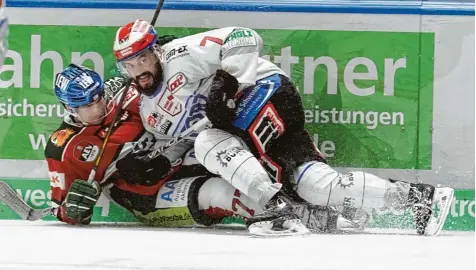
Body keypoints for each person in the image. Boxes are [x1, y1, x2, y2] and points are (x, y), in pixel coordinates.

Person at [112, 19, 454, 236]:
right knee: (316, 184)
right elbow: (184, 141)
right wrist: (162, 161)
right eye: (128, 65)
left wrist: (229, 81)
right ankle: (420, 198)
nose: (137, 69)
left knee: (208, 141)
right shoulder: (151, 113)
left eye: (142, 58)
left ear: (155, 51)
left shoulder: (181, 52)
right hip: (246, 132)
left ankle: (275, 208)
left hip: (265, 92)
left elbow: (242, 36)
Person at [45, 63, 280, 232]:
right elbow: (61, 208)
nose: (98, 107)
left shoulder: (123, 91)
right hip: (146, 196)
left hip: (181, 155)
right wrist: (72, 211)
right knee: (222, 193)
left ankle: (291, 197)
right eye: (86, 104)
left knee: (240, 159)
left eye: (98, 97)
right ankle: (283, 218)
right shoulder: (64, 148)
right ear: (68, 107)